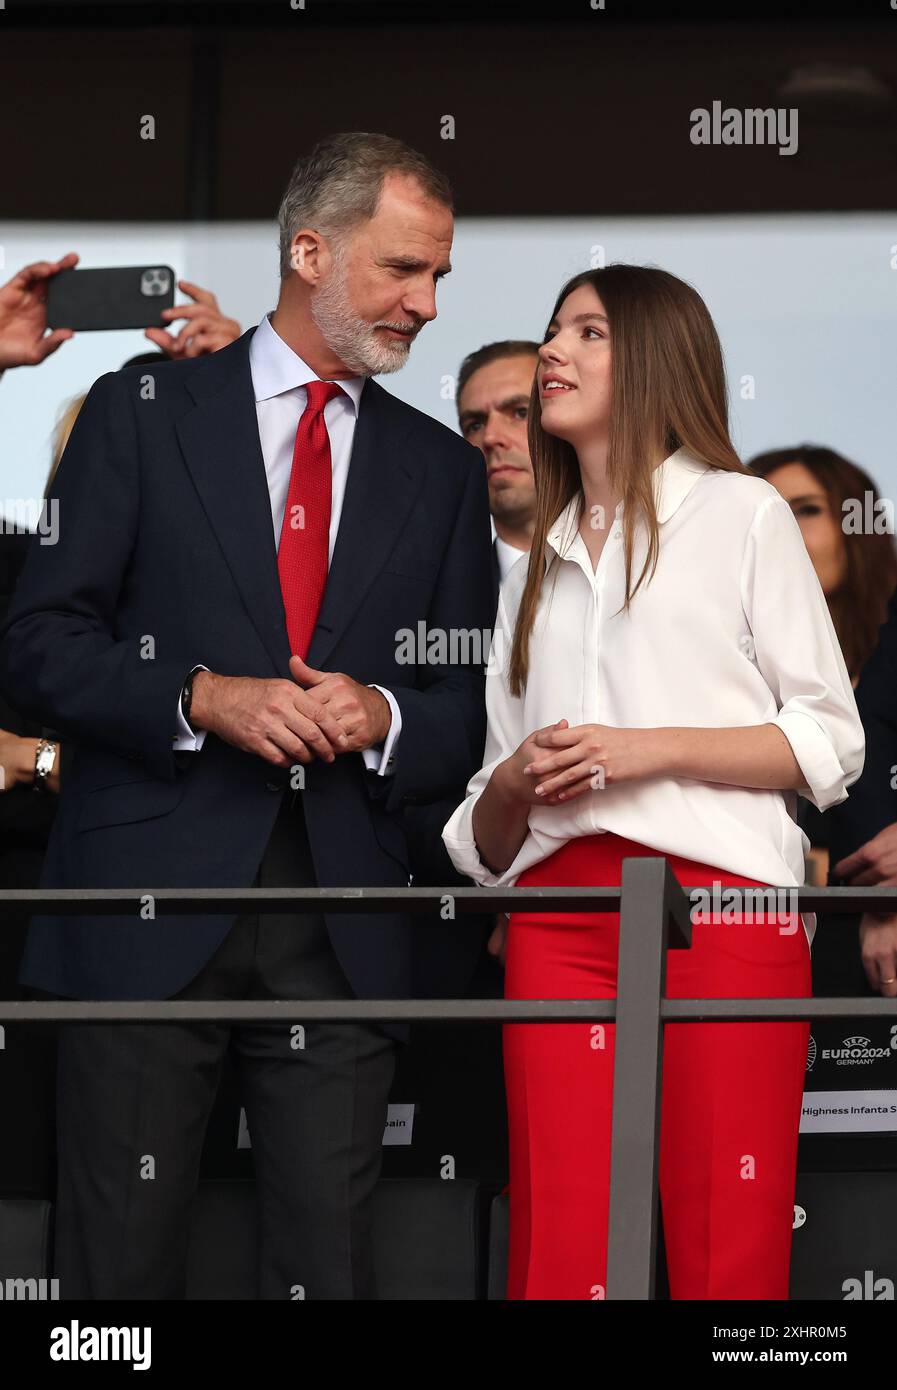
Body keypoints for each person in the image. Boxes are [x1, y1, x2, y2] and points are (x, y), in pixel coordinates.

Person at [0, 131, 494, 1300]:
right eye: (402, 270)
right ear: (310, 251)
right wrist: (197, 697)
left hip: (347, 926)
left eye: (439, 278)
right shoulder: (142, 410)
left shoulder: (442, 470)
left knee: (328, 1269)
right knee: (113, 1274)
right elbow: (38, 644)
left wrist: (380, 711)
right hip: (139, 911)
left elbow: (465, 711)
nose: (425, 304)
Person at [442, 263, 865, 1300]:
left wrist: (650, 748)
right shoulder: (534, 559)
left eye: (589, 332)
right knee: (559, 1237)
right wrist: (516, 784)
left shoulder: (741, 512)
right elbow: (483, 828)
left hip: (721, 906)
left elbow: (829, 740)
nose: (553, 352)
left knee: (731, 1231)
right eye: (552, 330)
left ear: (656, 359)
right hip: (555, 910)